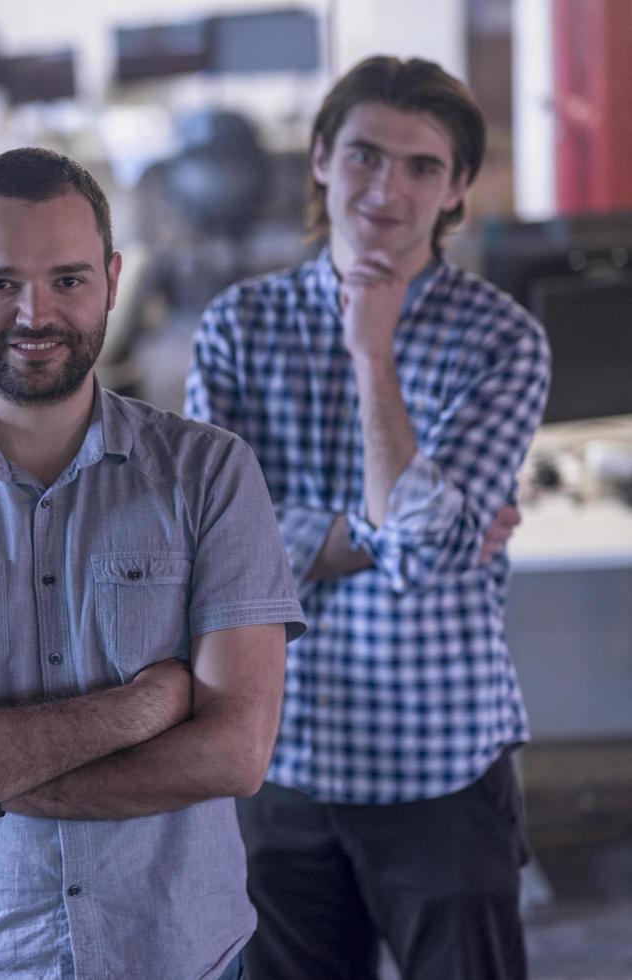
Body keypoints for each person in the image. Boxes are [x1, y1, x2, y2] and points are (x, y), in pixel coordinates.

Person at [0, 147, 306, 980]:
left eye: (67, 280)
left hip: (177, 955)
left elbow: (234, 755)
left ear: (110, 277)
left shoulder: (211, 473)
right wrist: (146, 709)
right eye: (2, 283)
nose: (36, 313)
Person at [186, 56, 550, 980]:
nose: (388, 188)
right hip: (279, 752)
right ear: (319, 158)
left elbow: (423, 557)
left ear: (458, 185)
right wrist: (393, 531)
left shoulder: (502, 339)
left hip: (438, 764)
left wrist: (370, 353)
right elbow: (212, 553)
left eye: (423, 165)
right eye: (364, 155)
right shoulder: (237, 326)